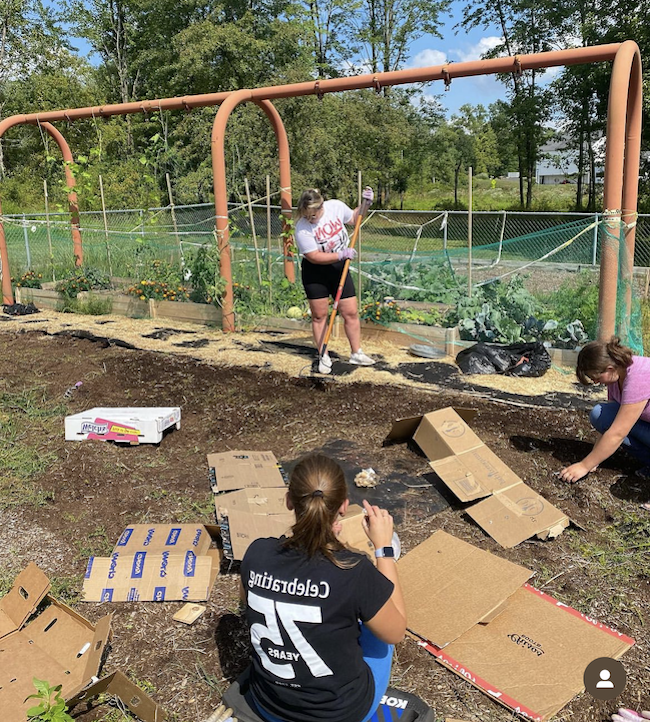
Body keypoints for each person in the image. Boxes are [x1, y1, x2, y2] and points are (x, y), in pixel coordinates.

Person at [239, 453, 406, 722]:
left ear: (289, 500)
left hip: (270, 706)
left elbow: (250, 598)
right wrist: (384, 550)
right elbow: (396, 632)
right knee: (380, 625)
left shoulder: (256, 552)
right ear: (343, 505)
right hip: (338, 714)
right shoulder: (354, 571)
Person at [559, 337, 650, 503]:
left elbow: (618, 432)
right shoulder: (616, 377)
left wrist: (584, 466)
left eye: (595, 377)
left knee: (619, 491)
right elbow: (610, 423)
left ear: (609, 368)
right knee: (601, 414)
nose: (595, 382)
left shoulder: (639, 375)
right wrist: (595, 457)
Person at [294, 187, 376, 370]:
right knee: (320, 315)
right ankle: (323, 355)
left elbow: (355, 218)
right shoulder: (302, 227)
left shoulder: (335, 207)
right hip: (315, 272)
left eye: (313, 216)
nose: (310, 219)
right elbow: (313, 256)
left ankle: (356, 353)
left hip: (340, 268)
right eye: (307, 215)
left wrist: (365, 204)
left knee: (350, 312)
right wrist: (340, 255)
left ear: (321, 207)